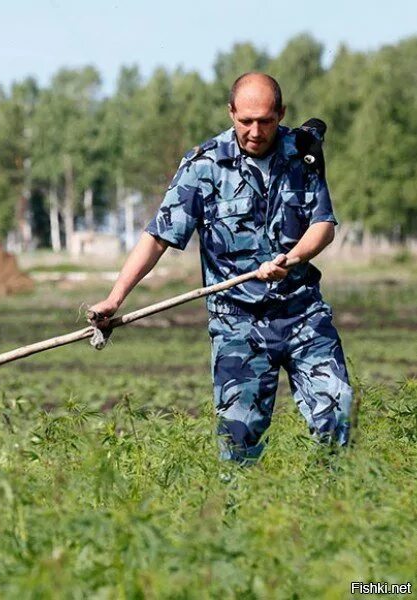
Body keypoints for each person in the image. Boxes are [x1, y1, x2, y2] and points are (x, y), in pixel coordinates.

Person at [89, 73, 353, 463]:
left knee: (338, 413)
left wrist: (292, 259)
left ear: (281, 114)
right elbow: (158, 236)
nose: (256, 131)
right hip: (237, 324)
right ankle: (240, 517)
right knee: (239, 440)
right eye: (246, 120)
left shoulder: (303, 154)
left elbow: (323, 225)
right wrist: (116, 297)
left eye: (266, 120)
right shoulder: (203, 166)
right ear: (231, 113)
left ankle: (337, 511)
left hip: (303, 312)